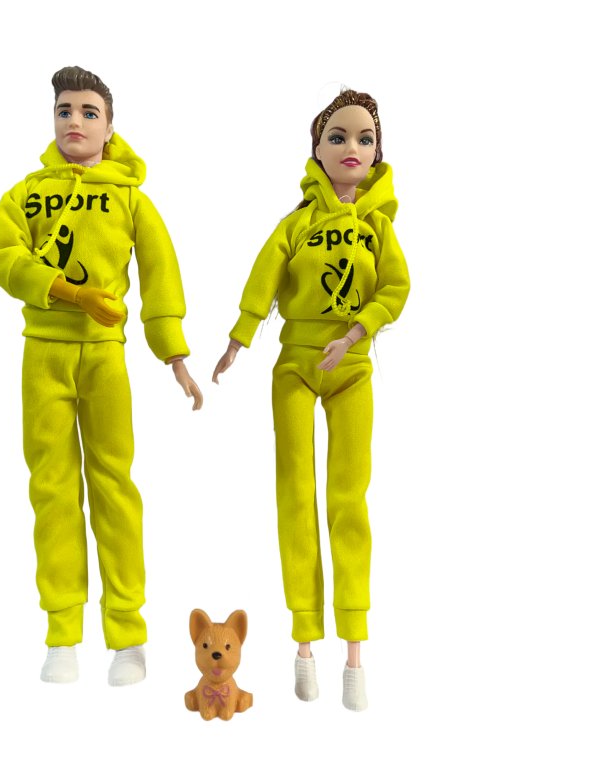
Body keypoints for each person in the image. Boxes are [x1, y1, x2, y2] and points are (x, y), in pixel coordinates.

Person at [0, 65, 202, 687]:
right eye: (64, 110)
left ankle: (127, 635)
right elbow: (4, 259)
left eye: (89, 112)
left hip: (106, 356)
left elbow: (161, 277)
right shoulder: (26, 194)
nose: (75, 121)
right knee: (51, 488)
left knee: (114, 486)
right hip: (44, 352)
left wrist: (174, 355)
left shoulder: (130, 198)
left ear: (110, 127)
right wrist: (68, 292)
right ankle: (62, 632)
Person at [212, 88, 409, 711]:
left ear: (377, 153)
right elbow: (263, 278)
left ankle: (354, 652)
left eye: (364, 138)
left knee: (348, 497)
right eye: (337, 137)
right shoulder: (296, 224)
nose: (351, 147)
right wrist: (239, 339)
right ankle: (304, 643)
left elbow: (396, 289)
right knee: (295, 491)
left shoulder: (378, 229)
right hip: (297, 365)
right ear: (317, 150)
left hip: (352, 369)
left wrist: (356, 332)